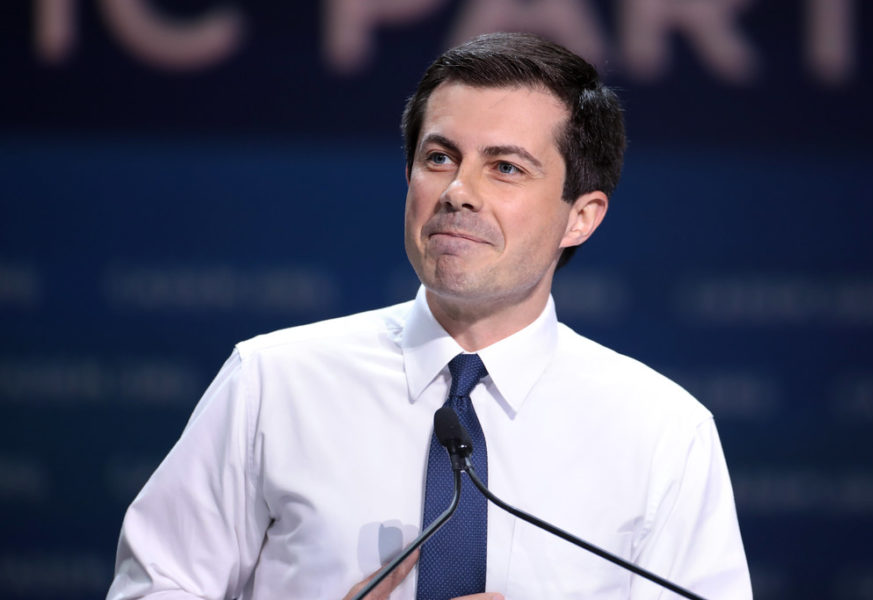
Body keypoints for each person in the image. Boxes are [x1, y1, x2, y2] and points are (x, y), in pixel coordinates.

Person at [107, 32, 752, 599]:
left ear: (580, 216)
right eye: (439, 158)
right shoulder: (273, 383)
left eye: (505, 167)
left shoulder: (662, 432)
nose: (458, 193)